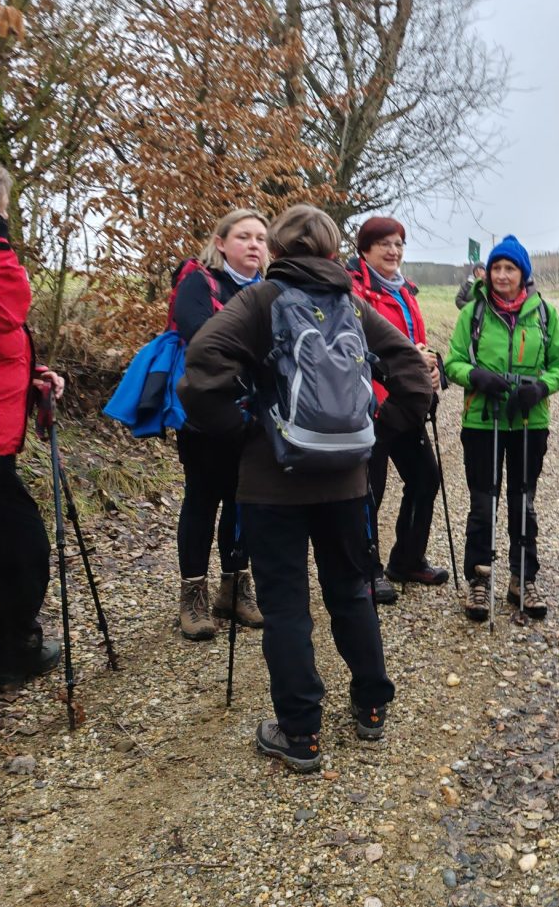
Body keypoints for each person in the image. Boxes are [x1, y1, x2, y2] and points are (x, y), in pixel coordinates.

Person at [179, 204, 433, 772]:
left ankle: (301, 735)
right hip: (346, 480)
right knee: (351, 590)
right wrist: (376, 437)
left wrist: (244, 431)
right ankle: (371, 706)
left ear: (278, 250)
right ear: (329, 249)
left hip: (272, 484)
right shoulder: (353, 303)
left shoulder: (258, 302)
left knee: (287, 607)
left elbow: (199, 369)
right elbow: (414, 379)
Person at [0, 152, 66, 747]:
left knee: (23, 549)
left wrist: (31, 379)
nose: (0, 219)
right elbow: (2, 310)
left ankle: (13, 653)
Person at [444, 235, 559, 623]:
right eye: (497, 267)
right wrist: (476, 376)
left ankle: (522, 578)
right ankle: (480, 579)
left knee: (523, 501)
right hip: (482, 421)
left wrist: (541, 387)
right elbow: (452, 362)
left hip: (529, 422)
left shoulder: (545, 314)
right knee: (484, 503)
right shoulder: (474, 313)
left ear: (523, 274)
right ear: (488, 272)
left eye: (510, 268)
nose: (502, 275)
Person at [171, 209, 269, 641]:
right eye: (244, 236)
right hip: (206, 414)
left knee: (243, 498)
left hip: (253, 411)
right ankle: (192, 594)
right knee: (202, 498)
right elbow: (201, 337)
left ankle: (235, 586)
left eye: (261, 239)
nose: (254, 245)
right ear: (221, 242)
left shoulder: (269, 289)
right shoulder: (199, 282)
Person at [348, 216, 446, 605]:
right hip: (371, 405)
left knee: (426, 479)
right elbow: (353, 348)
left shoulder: (405, 291)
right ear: (365, 249)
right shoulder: (353, 290)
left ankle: (406, 559)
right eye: (384, 244)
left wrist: (432, 367)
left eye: (399, 245)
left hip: (405, 404)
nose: (393, 251)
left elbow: (415, 343)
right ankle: (365, 570)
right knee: (369, 491)